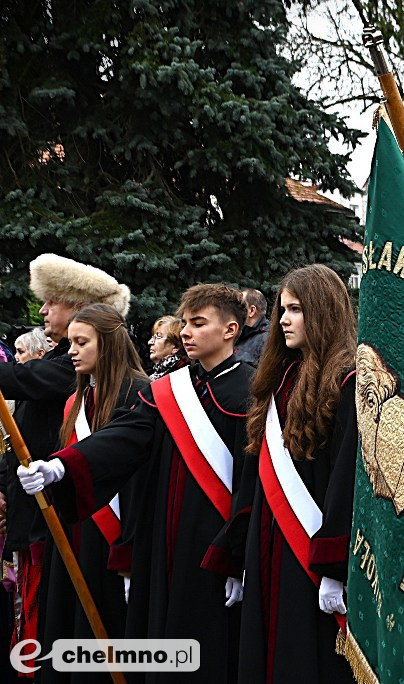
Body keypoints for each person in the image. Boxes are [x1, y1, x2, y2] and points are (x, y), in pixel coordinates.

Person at [21, 284, 253, 684]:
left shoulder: (250, 390)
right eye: (185, 324)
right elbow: (126, 435)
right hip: (164, 542)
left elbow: (254, 481)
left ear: (231, 330)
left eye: (199, 324)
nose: (186, 333)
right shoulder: (174, 388)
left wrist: (239, 556)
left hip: (216, 544)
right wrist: (62, 466)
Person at [0, 253, 129, 667]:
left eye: (50, 302)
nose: (41, 311)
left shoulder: (73, 369)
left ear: (77, 305)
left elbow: (24, 379)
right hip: (32, 509)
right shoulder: (62, 360)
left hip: (59, 516)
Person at [231, 264, 358, 682]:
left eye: (297, 309)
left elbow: (345, 477)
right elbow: (254, 471)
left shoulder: (348, 380)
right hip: (268, 537)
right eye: (283, 309)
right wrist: (237, 553)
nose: (283, 319)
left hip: (311, 541)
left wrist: (334, 565)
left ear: (322, 312)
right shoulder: (279, 377)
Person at [35, 304, 149, 683]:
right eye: (70, 342)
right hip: (76, 532)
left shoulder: (140, 393)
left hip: (114, 535)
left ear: (110, 343)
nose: (72, 351)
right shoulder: (77, 400)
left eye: (82, 342)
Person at [147, 315, 188, 380]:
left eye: (158, 336)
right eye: (153, 337)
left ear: (176, 347)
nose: (150, 342)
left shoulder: (181, 377)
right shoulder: (154, 374)